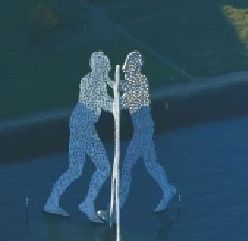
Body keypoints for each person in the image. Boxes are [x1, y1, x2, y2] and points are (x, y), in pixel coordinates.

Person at [44, 52, 112, 223]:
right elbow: (105, 103)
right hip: (83, 128)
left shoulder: (92, 79)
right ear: (97, 67)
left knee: (76, 169)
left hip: (80, 125)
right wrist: (123, 102)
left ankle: (52, 202)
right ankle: (87, 203)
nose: (105, 69)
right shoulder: (92, 82)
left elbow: (105, 99)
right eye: (103, 66)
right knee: (103, 167)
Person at [118, 51, 176, 214]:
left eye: (129, 68)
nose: (127, 71)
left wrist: (116, 95)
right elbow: (124, 92)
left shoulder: (140, 81)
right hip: (144, 130)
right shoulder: (132, 83)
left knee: (127, 168)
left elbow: (127, 100)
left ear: (135, 68)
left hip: (143, 131)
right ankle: (167, 189)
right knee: (151, 164)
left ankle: (115, 211)